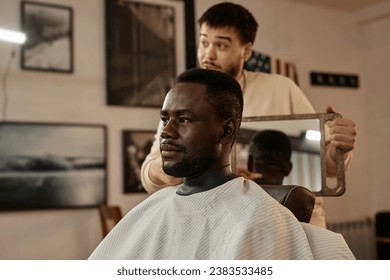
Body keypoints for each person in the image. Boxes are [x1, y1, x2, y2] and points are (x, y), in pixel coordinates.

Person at [89, 68, 354, 260]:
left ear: (227, 131)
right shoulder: (152, 207)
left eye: (183, 120)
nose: (166, 132)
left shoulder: (257, 219)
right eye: (165, 119)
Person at [140, 2, 357, 228]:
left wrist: (337, 149)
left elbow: (326, 167)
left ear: (246, 50)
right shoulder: (184, 99)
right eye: (204, 42)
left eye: (221, 45)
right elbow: (149, 174)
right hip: (220, 224)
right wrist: (176, 171)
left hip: (293, 222)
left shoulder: (282, 89)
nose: (208, 54)